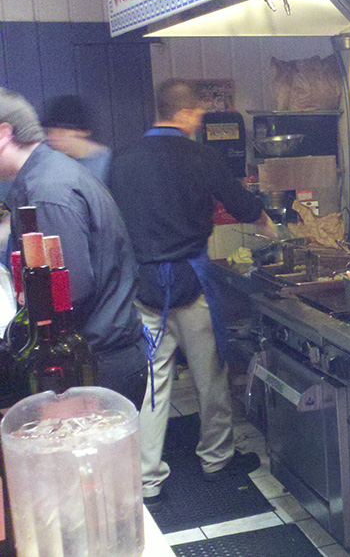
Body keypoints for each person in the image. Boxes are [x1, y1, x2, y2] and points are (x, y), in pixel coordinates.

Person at [106, 79, 277, 506]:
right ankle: (216, 459)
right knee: (210, 374)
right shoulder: (201, 156)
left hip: (144, 286)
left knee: (153, 381)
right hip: (192, 282)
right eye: (198, 113)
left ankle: (147, 479)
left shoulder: (121, 159)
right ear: (185, 112)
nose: (200, 121)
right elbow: (243, 205)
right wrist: (269, 226)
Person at [0, 87, 148, 408]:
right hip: (103, 356)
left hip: (98, 363)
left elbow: (68, 294)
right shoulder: (48, 174)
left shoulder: (47, 191)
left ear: (3, 134)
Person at [39, 95, 112, 182]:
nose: (52, 138)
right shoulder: (51, 168)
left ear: (82, 132)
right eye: (49, 132)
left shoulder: (112, 165)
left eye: (61, 132)